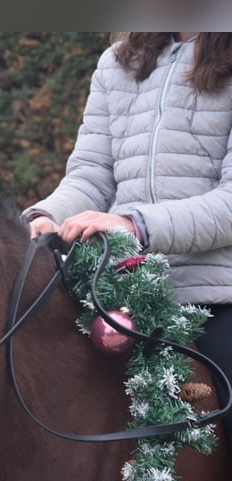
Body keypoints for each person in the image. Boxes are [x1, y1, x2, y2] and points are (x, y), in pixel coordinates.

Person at [22, 32, 232, 449]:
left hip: (217, 296)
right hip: (120, 295)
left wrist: (135, 224)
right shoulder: (117, 62)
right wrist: (44, 215)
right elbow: (90, 174)